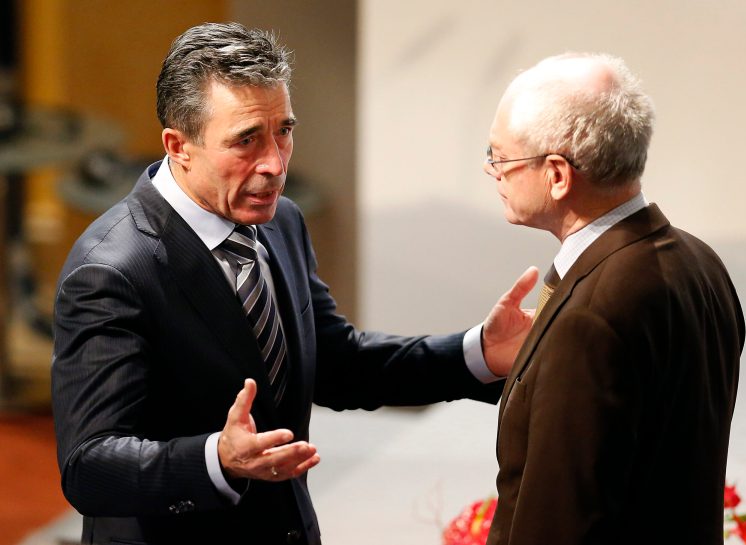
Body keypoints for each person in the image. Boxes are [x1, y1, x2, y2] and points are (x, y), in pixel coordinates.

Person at [51, 22, 536, 545]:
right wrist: (216, 460)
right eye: (246, 140)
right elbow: (89, 467)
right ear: (179, 145)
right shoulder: (111, 271)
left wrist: (479, 354)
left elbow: (338, 365)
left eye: (283, 131)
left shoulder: (281, 221)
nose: (275, 164)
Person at [483, 53, 745, 544]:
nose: (491, 169)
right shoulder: (701, 262)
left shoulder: (590, 314)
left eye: (500, 156)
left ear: (557, 175)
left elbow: (560, 521)